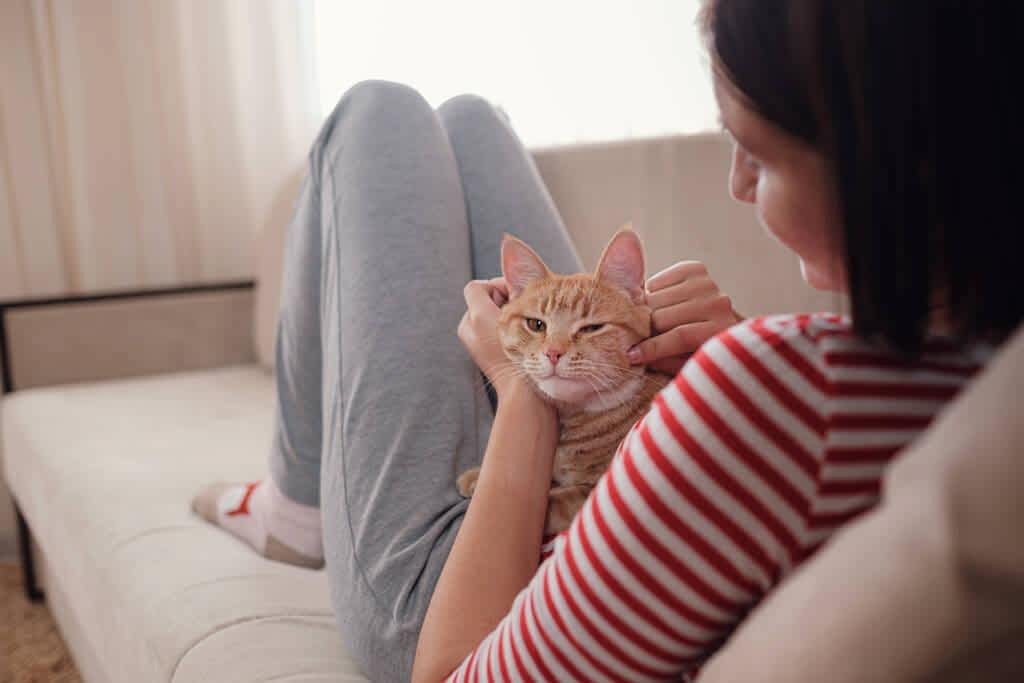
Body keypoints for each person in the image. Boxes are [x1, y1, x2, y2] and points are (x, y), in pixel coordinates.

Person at [194, 1, 1022, 680]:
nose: (736, 185)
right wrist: (741, 345)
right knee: (472, 120)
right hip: (569, 481)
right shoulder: (971, 374)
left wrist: (517, 381)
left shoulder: (777, 395)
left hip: (462, 591)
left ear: (885, 157)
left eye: (756, 154)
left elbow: (454, 671)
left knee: (372, 112)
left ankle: (295, 504)